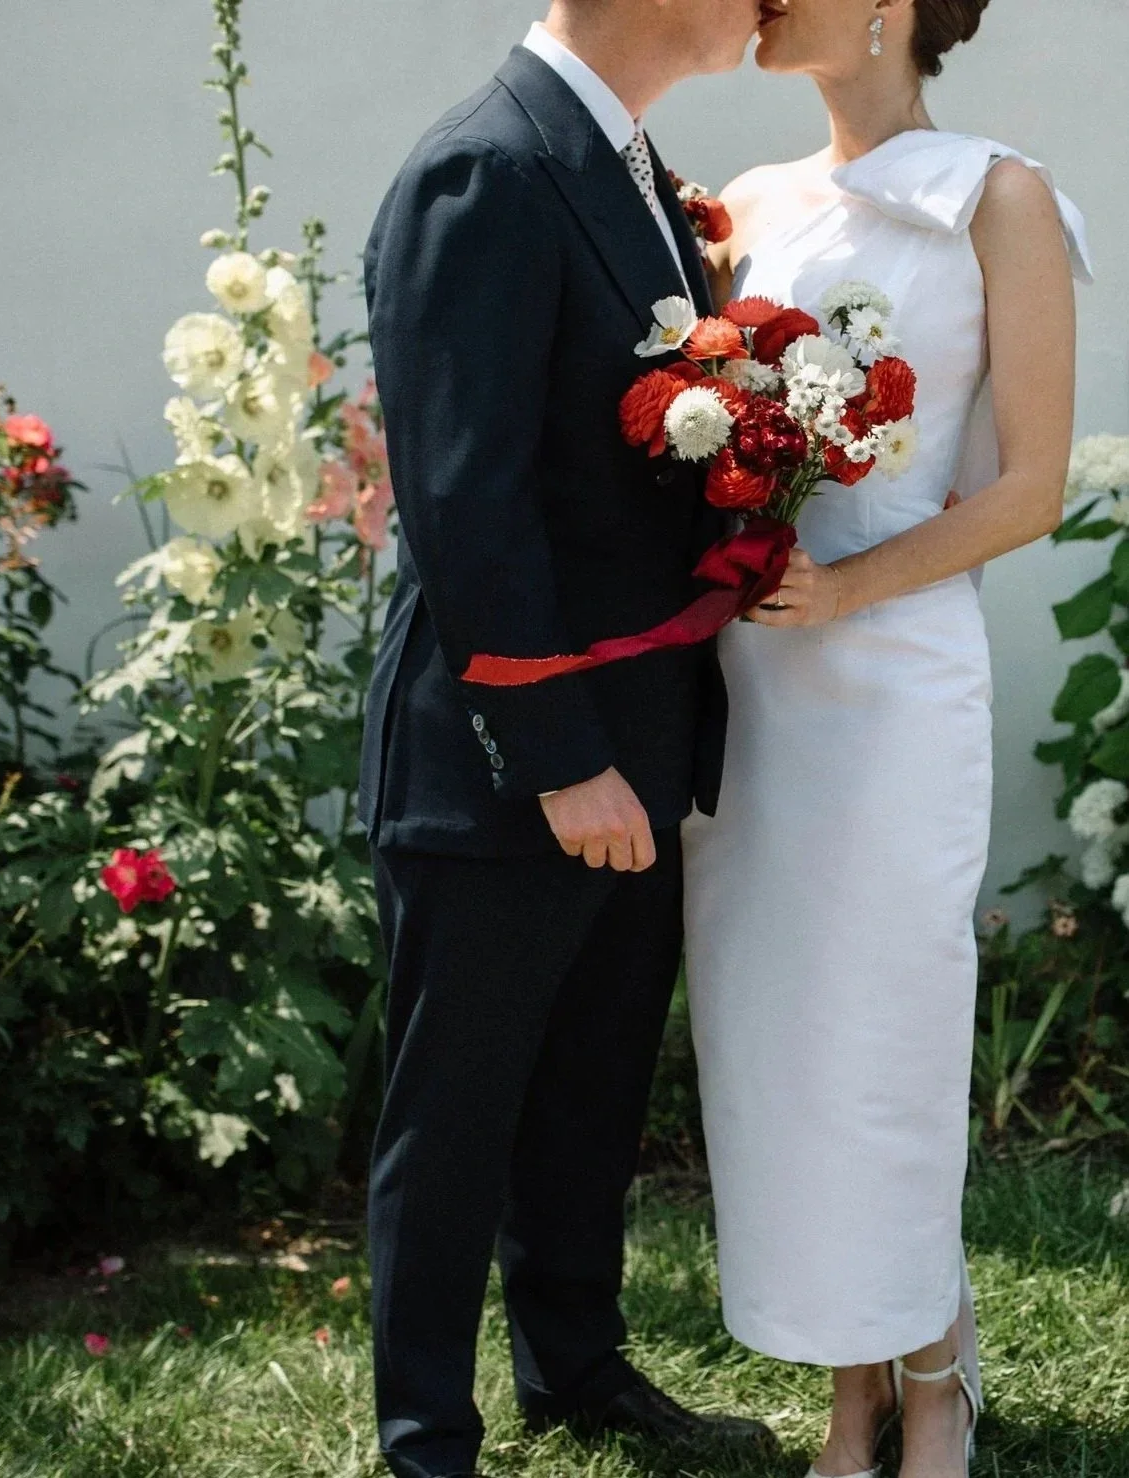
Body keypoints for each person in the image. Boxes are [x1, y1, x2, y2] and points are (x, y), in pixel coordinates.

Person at [359, 4, 775, 1475]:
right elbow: (463, 500)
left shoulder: (642, 174)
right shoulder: (485, 167)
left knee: (593, 1077)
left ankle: (574, 1361)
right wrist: (557, 754)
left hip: (639, 730)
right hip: (503, 753)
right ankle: (425, 1431)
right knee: (458, 1102)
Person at [682, 2, 1091, 1476]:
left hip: (895, 668)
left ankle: (933, 1376)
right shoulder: (740, 209)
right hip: (752, 683)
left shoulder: (1000, 193)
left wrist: (845, 584)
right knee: (782, 1040)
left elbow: (1028, 483)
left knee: (883, 1040)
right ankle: (853, 1384)